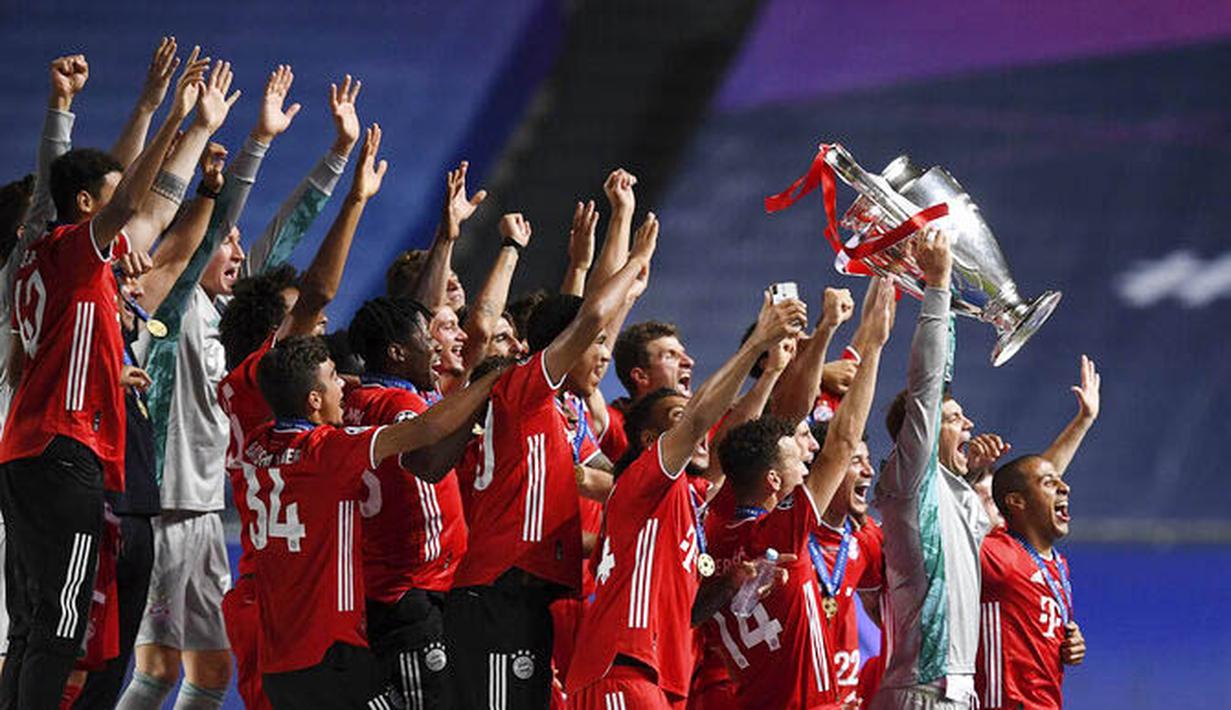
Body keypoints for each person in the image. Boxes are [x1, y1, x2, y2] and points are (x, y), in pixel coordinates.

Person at [0, 46, 235, 707]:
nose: (126, 219)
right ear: (85, 207)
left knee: (35, 623)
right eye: (109, 206)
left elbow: (151, 208)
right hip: (63, 448)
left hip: (31, 451)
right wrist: (171, 120)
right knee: (62, 622)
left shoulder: (58, 263)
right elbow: (135, 197)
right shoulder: (73, 251)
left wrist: (192, 129)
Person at [445, 211, 658, 709]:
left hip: (528, 600)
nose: (604, 355)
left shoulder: (560, 415)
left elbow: (598, 490)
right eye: (595, 345)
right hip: (497, 595)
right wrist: (636, 259)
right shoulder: (523, 390)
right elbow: (590, 316)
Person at [566, 287, 807, 707]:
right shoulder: (644, 480)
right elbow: (699, 420)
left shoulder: (685, 499)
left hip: (658, 677)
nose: (699, 434)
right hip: (623, 669)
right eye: (676, 418)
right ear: (650, 440)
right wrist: (755, 345)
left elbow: (691, 613)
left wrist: (733, 581)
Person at [215, 116, 383, 710]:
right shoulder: (264, 375)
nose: (317, 327)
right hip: (279, 598)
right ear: (272, 336)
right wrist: (355, 200)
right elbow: (318, 294)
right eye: (298, 323)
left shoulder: (250, 390)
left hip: (277, 586)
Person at [245, 334, 505, 708]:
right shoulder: (326, 451)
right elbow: (426, 430)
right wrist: (492, 379)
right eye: (334, 377)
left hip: (278, 664)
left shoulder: (256, 445)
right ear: (314, 400)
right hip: (331, 654)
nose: (343, 385)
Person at [704, 281, 893, 710]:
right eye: (798, 460)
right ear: (773, 480)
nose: (807, 465)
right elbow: (841, 444)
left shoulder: (716, 528)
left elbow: (783, 423)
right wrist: (876, 348)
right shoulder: (778, 534)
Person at [871, 229, 990, 709]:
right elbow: (928, 385)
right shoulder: (910, 481)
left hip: (957, 694)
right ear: (923, 431)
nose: (969, 424)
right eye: (955, 418)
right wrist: (937, 286)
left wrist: (947, 294)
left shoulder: (956, 495)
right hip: (922, 693)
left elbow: (940, 384)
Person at [344, 296, 465, 707]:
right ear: (396, 353)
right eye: (425, 338)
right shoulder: (402, 405)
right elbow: (428, 465)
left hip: (384, 592)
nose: (435, 347)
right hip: (416, 592)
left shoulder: (353, 402)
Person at [975, 356, 1100, 709]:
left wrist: (1084, 420)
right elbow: (1027, 486)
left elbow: (1037, 484)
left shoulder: (1056, 564)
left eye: (1060, 483)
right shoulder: (997, 555)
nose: (1065, 488)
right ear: (1015, 503)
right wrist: (966, 471)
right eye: (1051, 485)